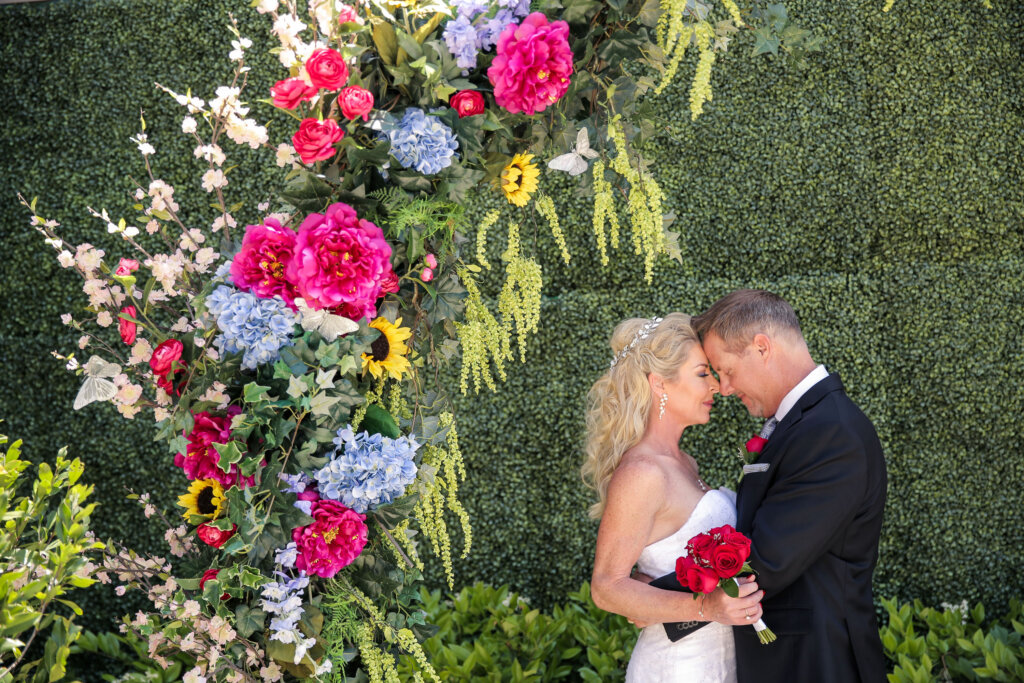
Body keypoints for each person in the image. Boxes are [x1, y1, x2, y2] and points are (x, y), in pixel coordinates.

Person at [689, 289, 887, 682]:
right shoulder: (806, 424)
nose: (724, 388)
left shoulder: (832, 433)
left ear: (762, 347)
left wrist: (650, 596)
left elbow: (765, 561)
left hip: (817, 663)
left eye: (726, 370)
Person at [584, 313, 763, 682]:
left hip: (722, 660)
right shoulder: (643, 473)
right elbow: (606, 587)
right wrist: (709, 606)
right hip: (678, 667)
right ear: (659, 383)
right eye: (702, 374)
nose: (715, 386)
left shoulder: (684, 462)